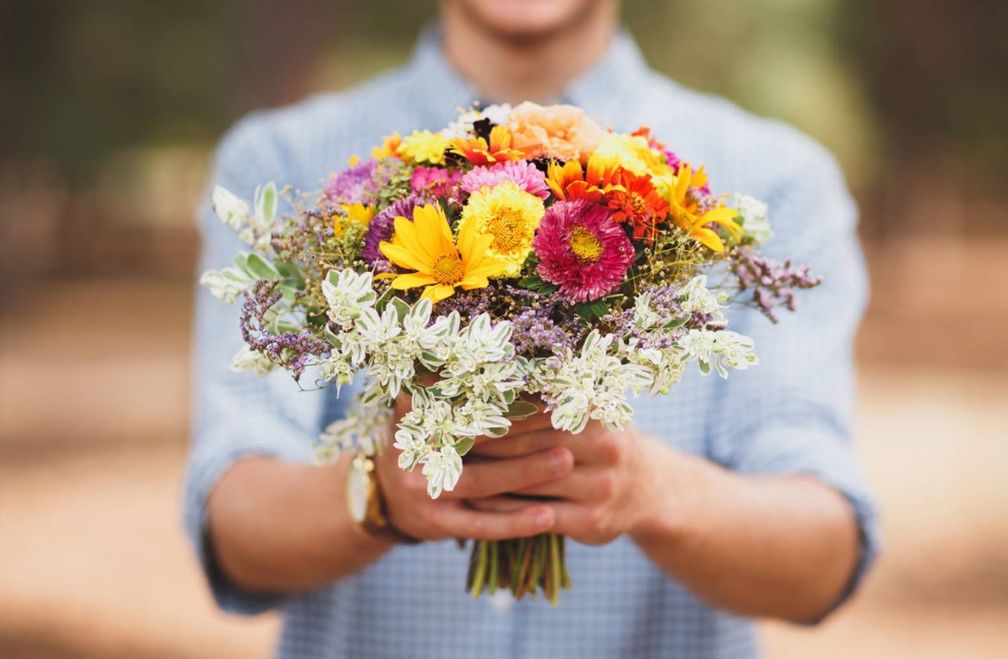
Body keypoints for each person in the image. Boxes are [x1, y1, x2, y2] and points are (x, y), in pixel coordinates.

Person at [184, 1, 879, 657]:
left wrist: (650, 491)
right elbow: (232, 523)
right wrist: (379, 494)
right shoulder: (283, 165)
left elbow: (821, 558)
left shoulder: (778, 182)